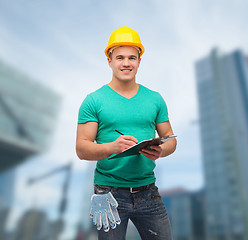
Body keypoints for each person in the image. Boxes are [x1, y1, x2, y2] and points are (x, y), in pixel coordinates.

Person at [76, 26, 177, 240]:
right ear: (109, 60)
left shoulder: (155, 99)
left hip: (148, 190)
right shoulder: (94, 100)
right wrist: (113, 147)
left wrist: (160, 150)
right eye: (120, 57)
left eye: (132, 57)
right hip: (108, 193)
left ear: (139, 61)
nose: (126, 63)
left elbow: (170, 138)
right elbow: (82, 148)